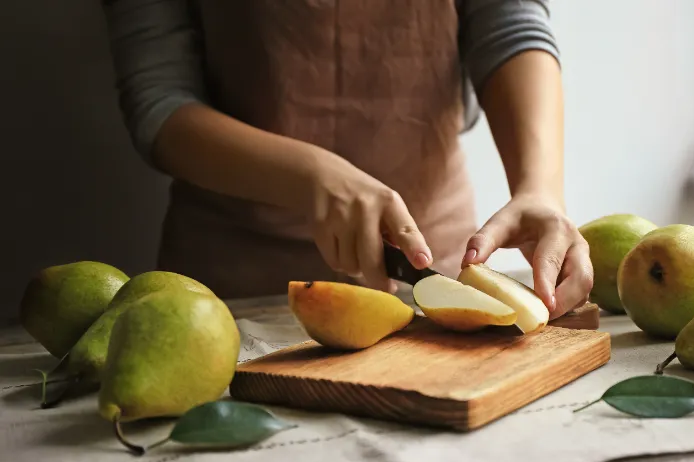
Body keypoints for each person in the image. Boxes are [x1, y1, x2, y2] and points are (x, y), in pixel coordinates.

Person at [101, 0, 593, 320]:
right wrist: (310, 175)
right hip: (229, 292)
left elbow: (510, 25)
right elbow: (158, 103)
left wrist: (540, 189)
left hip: (433, 258)